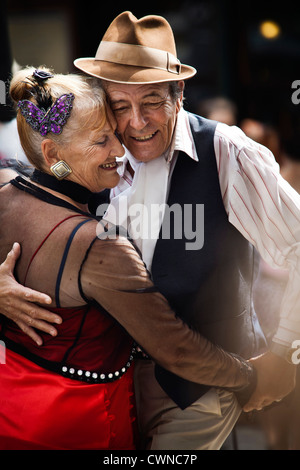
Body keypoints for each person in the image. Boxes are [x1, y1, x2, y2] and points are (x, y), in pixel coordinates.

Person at [0, 11, 299, 449]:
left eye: (152, 102)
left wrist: (284, 351)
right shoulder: (84, 162)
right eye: (120, 107)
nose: (136, 124)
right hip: (110, 390)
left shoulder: (226, 150)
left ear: (179, 93)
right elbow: (33, 206)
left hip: (200, 389)